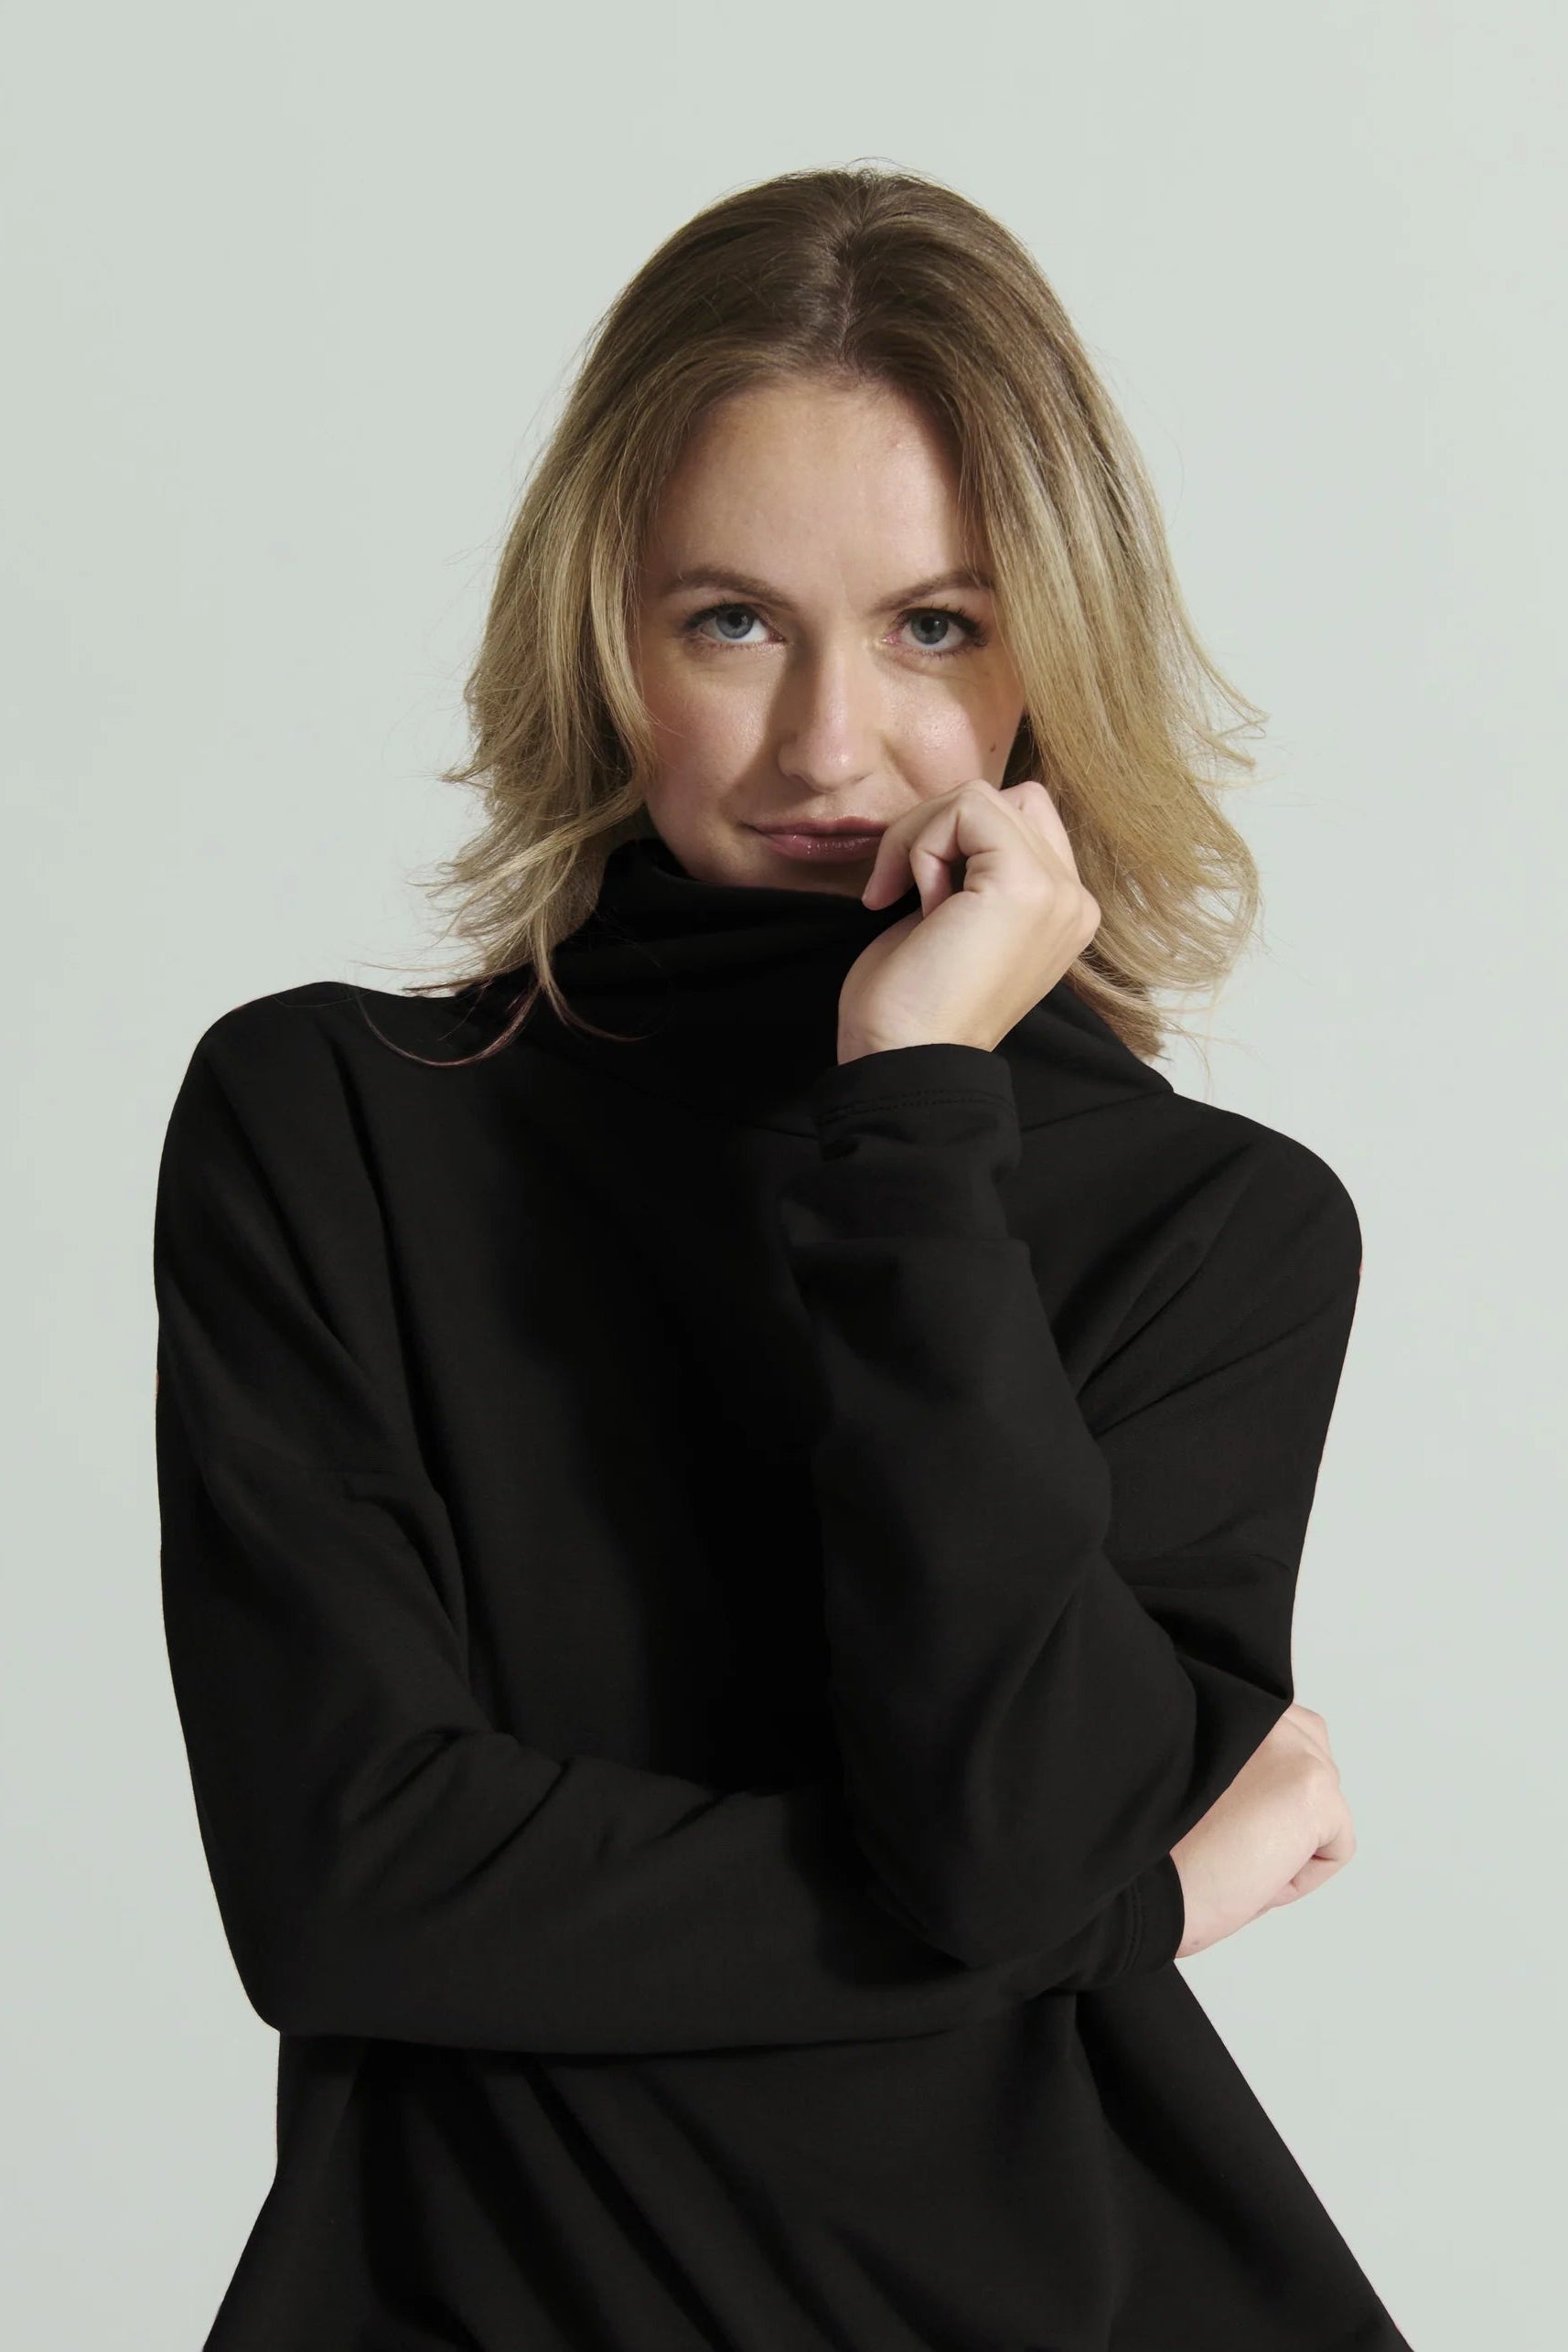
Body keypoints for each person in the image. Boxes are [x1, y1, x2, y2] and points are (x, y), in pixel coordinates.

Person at [152, 164, 1413, 2350]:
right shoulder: (339, 1121)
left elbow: (997, 1841)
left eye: (936, 624)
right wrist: (1125, 1911)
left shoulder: (1219, 1228)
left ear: (1055, 644)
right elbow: (351, 1886)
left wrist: (912, 1107)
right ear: (597, 629)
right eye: (727, 619)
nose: (830, 745)